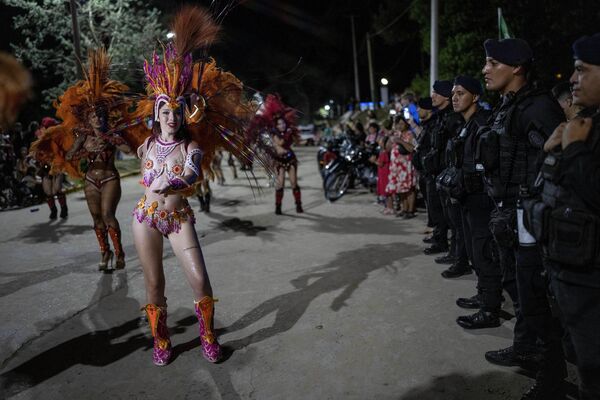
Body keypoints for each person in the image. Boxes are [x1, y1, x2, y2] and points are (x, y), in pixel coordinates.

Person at [132, 5, 269, 366]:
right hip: (146, 218)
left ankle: (207, 336)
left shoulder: (191, 147)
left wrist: (170, 179)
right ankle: (161, 341)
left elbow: (192, 176)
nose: (170, 117)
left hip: (178, 219)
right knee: (154, 286)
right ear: (156, 113)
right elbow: (144, 172)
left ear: (183, 114)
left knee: (200, 282)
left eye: (176, 111)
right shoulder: (145, 144)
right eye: (164, 110)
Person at [478, 38, 566, 399]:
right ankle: (525, 346)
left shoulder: (538, 107)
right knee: (516, 286)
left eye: (493, 62)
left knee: (534, 297)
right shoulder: (509, 106)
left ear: (516, 68)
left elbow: (559, 162)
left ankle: (553, 377)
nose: (485, 69)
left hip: (531, 219)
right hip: (510, 216)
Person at [535, 32, 600, 400]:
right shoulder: (588, 124)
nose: (572, 80)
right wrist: (553, 152)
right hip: (575, 269)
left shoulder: (583, 132)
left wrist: (574, 149)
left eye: (581, 70)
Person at [251, 94, 302, 215]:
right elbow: (279, 143)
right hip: (279, 160)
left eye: (283, 123)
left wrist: (290, 134)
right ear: (276, 125)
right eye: (279, 124)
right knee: (280, 183)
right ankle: (278, 207)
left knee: (294, 182)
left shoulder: (288, 132)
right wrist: (287, 134)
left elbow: (293, 142)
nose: (282, 125)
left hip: (290, 159)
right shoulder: (274, 134)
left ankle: (298, 204)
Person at [387, 116, 417, 217]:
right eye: (398, 124)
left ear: (406, 124)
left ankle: (410, 210)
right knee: (401, 189)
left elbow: (412, 148)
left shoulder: (410, 134)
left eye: (401, 123)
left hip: (406, 165)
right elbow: (387, 148)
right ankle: (404, 209)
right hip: (396, 166)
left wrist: (400, 141)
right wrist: (389, 138)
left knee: (409, 189)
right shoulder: (396, 134)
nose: (399, 126)